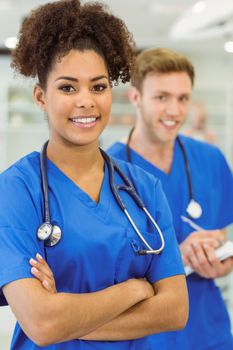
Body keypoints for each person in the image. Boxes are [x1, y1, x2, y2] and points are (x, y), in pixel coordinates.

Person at [0, 3, 188, 349]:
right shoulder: (16, 189)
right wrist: (136, 289)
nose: (86, 101)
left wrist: (68, 316)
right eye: (68, 88)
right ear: (41, 97)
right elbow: (42, 323)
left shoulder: (144, 189)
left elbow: (175, 310)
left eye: (98, 87)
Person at [108, 48, 233, 350]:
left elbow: (224, 242)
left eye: (183, 98)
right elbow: (105, 273)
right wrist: (178, 255)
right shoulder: (106, 172)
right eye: (161, 97)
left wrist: (220, 259)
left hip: (209, 332)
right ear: (136, 97)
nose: (175, 111)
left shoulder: (210, 159)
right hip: (145, 337)